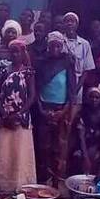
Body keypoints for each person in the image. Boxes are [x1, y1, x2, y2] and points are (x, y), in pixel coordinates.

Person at [0, 39, 36, 191]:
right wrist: (4, 114)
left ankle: (22, 189)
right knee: (5, 154)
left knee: (20, 155)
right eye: (12, 51)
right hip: (3, 119)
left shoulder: (28, 72)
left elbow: (32, 96)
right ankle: (4, 189)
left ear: (23, 53)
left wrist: (19, 114)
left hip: (21, 119)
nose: (15, 54)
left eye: (18, 51)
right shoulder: (2, 70)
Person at [34, 31, 75, 184]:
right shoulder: (41, 63)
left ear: (62, 46)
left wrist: (63, 111)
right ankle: (43, 179)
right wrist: (42, 110)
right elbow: (36, 89)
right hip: (44, 108)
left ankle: (57, 181)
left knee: (58, 147)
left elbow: (71, 89)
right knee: (43, 146)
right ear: (48, 46)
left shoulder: (67, 62)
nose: (55, 49)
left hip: (61, 109)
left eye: (58, 46)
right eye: (52, 46)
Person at [62, 12, 95, 115]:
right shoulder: (59, 41)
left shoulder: (84, 44)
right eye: (67, 21)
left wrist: (75, 90)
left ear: (77, 24)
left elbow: (86, 69)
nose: (70, 24)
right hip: (61, 83)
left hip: (77, 84)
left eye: (72, 21)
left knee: (72, 117)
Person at [69, 87, 100, 175]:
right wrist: (86, 157)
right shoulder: (81, 114)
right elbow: (81, 138)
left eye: (97, 97)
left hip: (99, 147)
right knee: (77, 158)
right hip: (83, 147)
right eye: (92, 97)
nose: (94, 100)